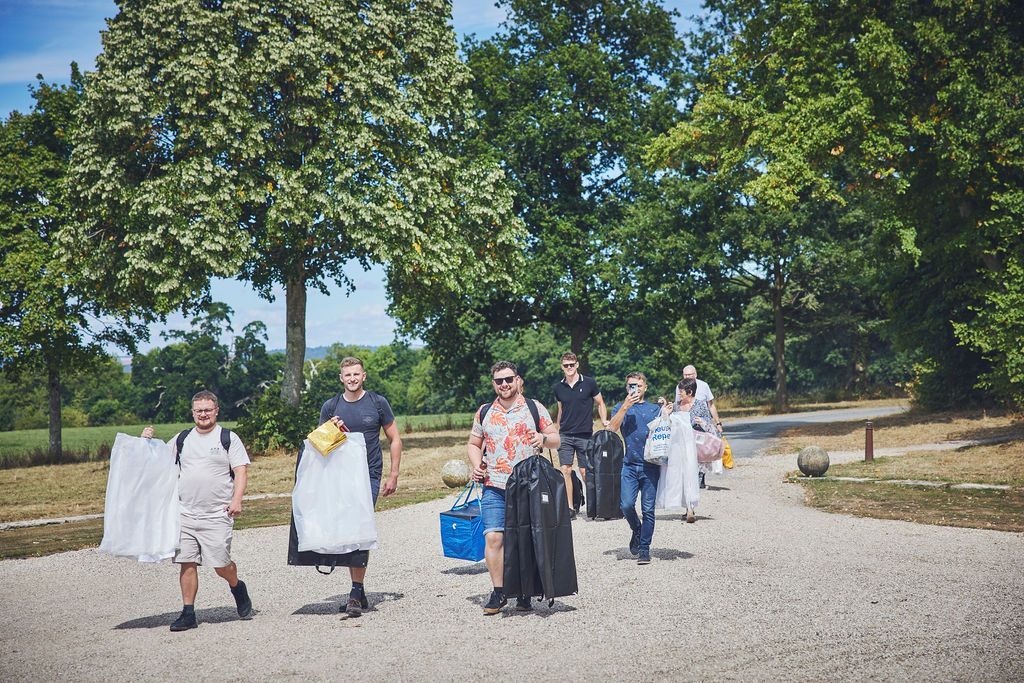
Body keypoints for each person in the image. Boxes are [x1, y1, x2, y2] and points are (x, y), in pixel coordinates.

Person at [141, 390, 253, 632]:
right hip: (185, 513)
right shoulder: (182, 439)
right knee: (187, 562)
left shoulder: (227, 438)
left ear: (216, 411)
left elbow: (241, 471)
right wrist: (146, 441)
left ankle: (237, 586)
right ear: (192, 413)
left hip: (217, 514)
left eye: (207, 410)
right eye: (198, 410)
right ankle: (188, 613)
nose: (203, 414)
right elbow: (157, 460)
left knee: (221, 565)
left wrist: (237, 500)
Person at [468, 360, 560, 615]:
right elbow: (474, 444)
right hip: (494, 485)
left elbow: (556, 439)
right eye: (499, 381)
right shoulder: (484, 412)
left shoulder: (534, 408)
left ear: (517, 380)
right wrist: (477, 465)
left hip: (529, 484)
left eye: (509, 379)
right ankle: (499, 593)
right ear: (493, 383)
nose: (504, 384)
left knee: (527, 539)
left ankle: (525, 591)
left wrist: (543, 438)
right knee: (494, 537)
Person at [319, 356, 403, 617]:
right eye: (348, 375)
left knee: (359, 527)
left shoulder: (377, 403)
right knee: (347, 529)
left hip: (369, 474)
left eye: (356, 374)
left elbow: (395, 438)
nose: (352, 379)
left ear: (364, 376)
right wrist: (333, 431)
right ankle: (359, 590)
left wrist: (394, 474)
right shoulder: (330, 406)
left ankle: (355, 592)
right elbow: (320, 446)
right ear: (341, 378)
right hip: (340, 477)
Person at [607, 372, 664, 565]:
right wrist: (625, 407)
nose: (635, 389)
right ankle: (637, 529)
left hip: (650, 465)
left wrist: (667, 410)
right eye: (631, 385)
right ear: (626, 388)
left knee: (648, 510)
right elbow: (611, 429)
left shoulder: (653, 409)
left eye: (639, 386)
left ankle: (644, 550)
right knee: (626, 505)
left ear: (645, 387)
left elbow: (666, 430)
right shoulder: (621, 407)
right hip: (629, 465)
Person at [552, 352, 608, 517]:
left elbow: (601, 403)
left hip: (584, 434)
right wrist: (556, 427)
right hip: (565, 435)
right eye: (565, 365)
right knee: (565, 470)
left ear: (577, 365)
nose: (569, 368)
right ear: (562, 367)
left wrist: (604, 420)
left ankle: (595, 505)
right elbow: (561, 410)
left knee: (585, 471)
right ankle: (570, 507)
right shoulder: (558, 387)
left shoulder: (589, 383)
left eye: (571, 364)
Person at [677, 366, 724, 487]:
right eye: (685, 375)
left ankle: (700, 477)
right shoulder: (680, 387)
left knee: (701, 452)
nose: (687, 377)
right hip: (687, 425)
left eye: (690, 375)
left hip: (701, 425)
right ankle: (691, 478)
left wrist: (717, 423)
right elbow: (678, 404)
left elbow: (711, 406)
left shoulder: (704, 386)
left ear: (696, 374)